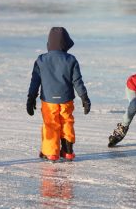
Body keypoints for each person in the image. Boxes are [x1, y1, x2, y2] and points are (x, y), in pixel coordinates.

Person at [27, 27, 91, 162]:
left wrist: (31, 98)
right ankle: (68, 151)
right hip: (66, 99)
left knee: (51, 123)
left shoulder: (41, 60)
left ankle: (51, 152)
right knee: (67, 121)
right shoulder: (71, 59)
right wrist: (84, 97)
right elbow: (77, 81)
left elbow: (35, 80)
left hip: (48, 100)